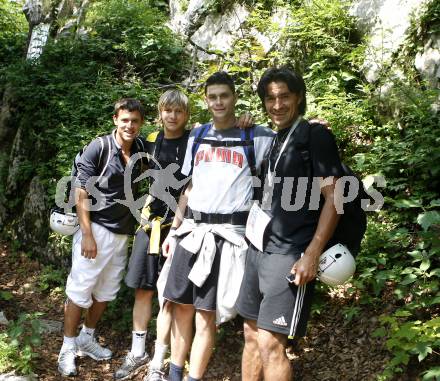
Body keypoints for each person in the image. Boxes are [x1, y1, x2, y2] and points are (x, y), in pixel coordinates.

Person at [161, 71, 275, 381]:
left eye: (224, 95)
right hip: (192, 231)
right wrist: (174, 229)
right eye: (213, 96)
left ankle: (193, 377)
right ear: (206, 100)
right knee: (179, 308)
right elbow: (188, 188)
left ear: (234, 97)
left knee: (205, 317)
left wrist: (314, 130)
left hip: (227, 237)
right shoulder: (196, 137)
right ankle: (173, 373)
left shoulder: (255, 136)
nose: (219, 102)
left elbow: (290, 141)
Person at [235, 66, 345, 380]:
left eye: (285, 96)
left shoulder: (314, 135)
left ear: (298, 97)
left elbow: (335, 197)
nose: (277, 104)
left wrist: (311, 253)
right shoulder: (273, 137)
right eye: (270, 98)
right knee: (251, 334)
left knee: (271, 342)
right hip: (258, 249)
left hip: (291, 253)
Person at [57, 98, 147, 377]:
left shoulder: (142, 148)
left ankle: (87, 337)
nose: (129, 125)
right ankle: (67, 347)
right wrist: (86, 235)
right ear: (115, 120)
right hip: (95, 229)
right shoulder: (100, 147)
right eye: (125, 120)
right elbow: (80, 192)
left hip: (122, 234)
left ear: (141, 123)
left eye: (134, 121)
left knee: (106, 291)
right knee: (79, 291)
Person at [114, 89, 191, 381]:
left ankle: (159, 360)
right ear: (159, 113)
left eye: (178, 111)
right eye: (167, 110)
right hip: (151, 225)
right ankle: (138, 352)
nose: (172, 116)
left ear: (186, 115)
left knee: (169, 296)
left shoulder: (195, 141)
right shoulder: (150, 142)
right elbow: (120, 141)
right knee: (143, 288)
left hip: (181, 228)